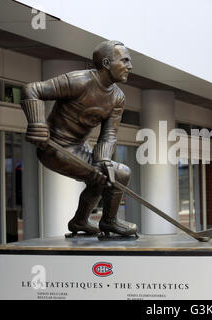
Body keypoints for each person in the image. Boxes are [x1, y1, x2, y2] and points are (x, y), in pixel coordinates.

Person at [20, 40, 137, 237]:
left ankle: (80, 221)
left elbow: (109, 135)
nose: (129, 66)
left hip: (79, 147)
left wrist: (103, 160)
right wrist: (36, 123)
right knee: (121, 173)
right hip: (55, 148)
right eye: (124, 60)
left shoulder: (118, 97)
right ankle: (108, 221)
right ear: (107, 63)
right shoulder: (79, 81)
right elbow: (32, 89)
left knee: (107, 174)